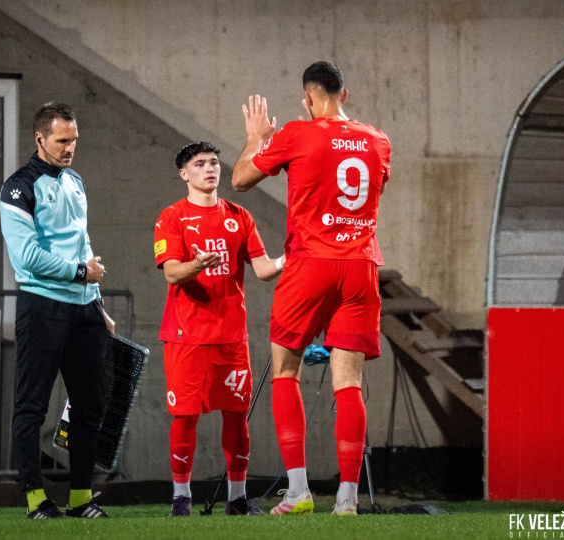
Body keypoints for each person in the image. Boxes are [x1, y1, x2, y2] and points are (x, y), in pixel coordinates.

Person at [232, 61, 392, 516]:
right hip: (360, 267)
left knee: (286, 372)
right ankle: (347, 499)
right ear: (345, 93)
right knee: (349, 384)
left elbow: (240, 180)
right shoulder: (378, 140)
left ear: (308, 97)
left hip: (310, 265)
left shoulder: (298, 134)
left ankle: (299, 492)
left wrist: (256, 139)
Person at [154, 141, 284, 517]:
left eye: (214, 162)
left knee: (236, 417)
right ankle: (181, 499)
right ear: (184, 174)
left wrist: (290, 258)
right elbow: (172, 273)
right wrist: (198, 265)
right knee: (185, 417)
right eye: (200, 164)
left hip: (231, 338)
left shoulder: (239, 216)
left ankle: (237, 499)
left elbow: (263, 269)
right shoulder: (172, 217)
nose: (210, 169)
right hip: (187, 337)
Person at [0, 102, 115, 519]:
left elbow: (82, 242)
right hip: (42, 307)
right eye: (62, 140)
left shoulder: (75, 181)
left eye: (74, 140)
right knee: (32, 407)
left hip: (85, 309)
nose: (70, 148)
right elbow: (27, 257)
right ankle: (36, 500)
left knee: (89, 408)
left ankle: (81, 500)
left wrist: (97, 303)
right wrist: (81, 272)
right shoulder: (18, 188)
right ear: (40, 139)